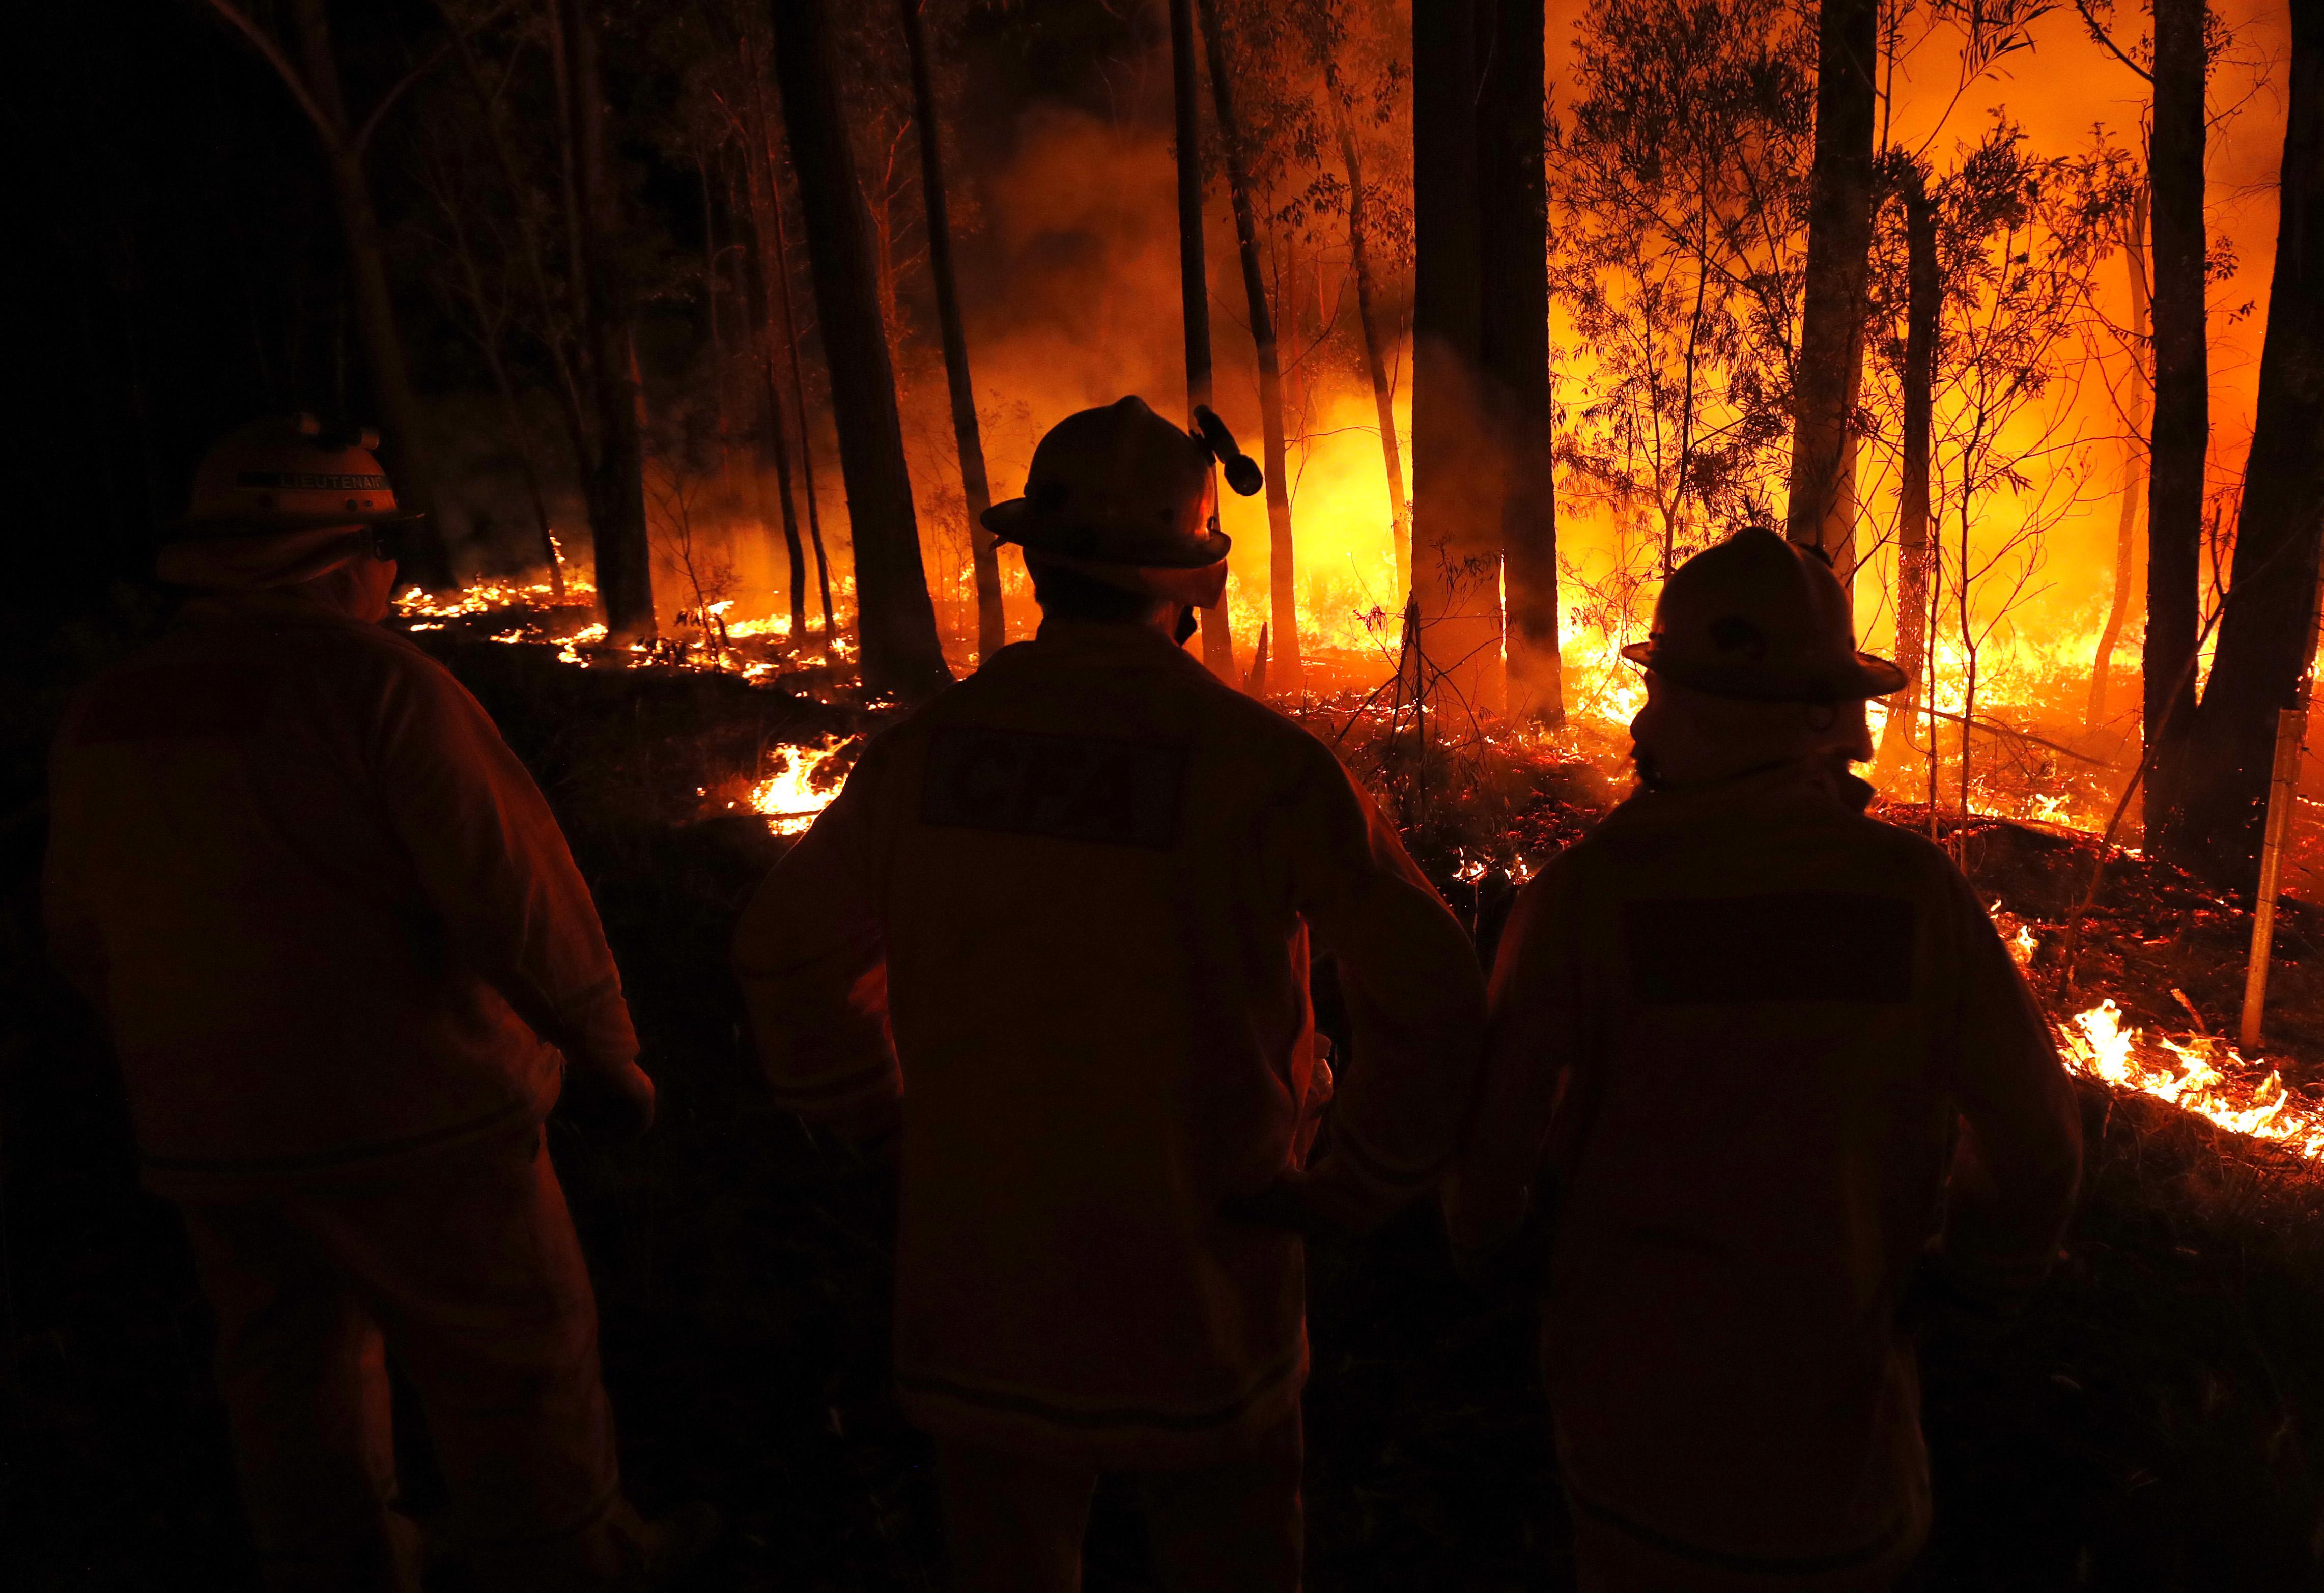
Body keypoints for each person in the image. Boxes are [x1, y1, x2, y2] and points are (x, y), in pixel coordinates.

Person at [734, 396, 1488, 1593]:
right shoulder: (1263, 767)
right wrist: (1361, 1178)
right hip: (1203, 1277)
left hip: (983, 1276)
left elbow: (786, 948)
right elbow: (1432, 992)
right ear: (1192, 583)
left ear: (1033, 559)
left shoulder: (932, 750)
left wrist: (877, 1116)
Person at [42, 418, 711, 1592]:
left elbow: (79, 932)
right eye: (382, 550)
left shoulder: (110, 709)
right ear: (339, 556)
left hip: (210, 1139)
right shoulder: (376, 683)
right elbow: (515, 890)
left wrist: (176, 1059)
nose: (393, 579)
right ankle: (568, 1563)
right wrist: (605, 1051)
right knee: (515, 1367)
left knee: (288, 1382)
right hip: (420, 1122)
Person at [1449, 528, 2082, 1592]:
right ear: (1825, 713)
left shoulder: (1583, 899)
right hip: (1844, 1477)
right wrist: (1968, 1289)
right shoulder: (1915, 897)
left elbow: (1486, 1170)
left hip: (1633, 1465)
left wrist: (1508, 1280)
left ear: (1669, 704)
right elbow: (2037, 1153)